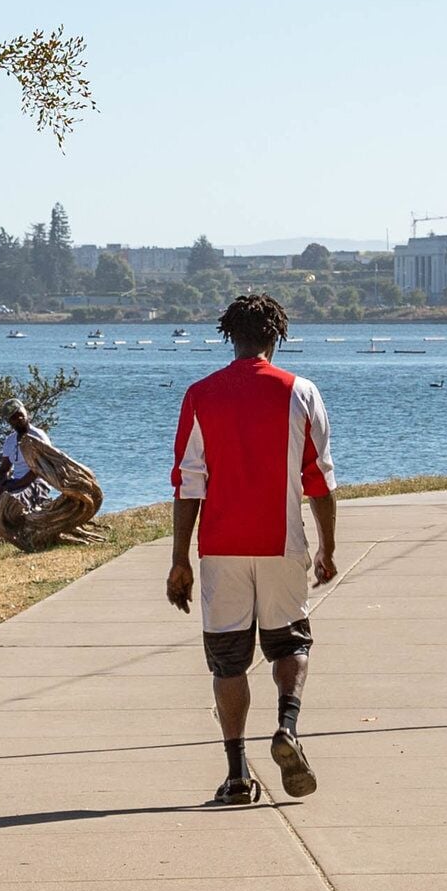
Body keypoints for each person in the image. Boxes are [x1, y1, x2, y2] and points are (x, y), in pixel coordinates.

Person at [166, 292, 338, 807]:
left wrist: (180, 559)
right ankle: (286, 726)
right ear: (276, 337)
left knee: (228, 663)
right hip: (282, 544)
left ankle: (238, 774)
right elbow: (319, 481)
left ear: (230, 336)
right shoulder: (301, 392)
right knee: (291, 644)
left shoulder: (200, 394)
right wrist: (328, 546)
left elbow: (188, 483)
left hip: (220, 549)